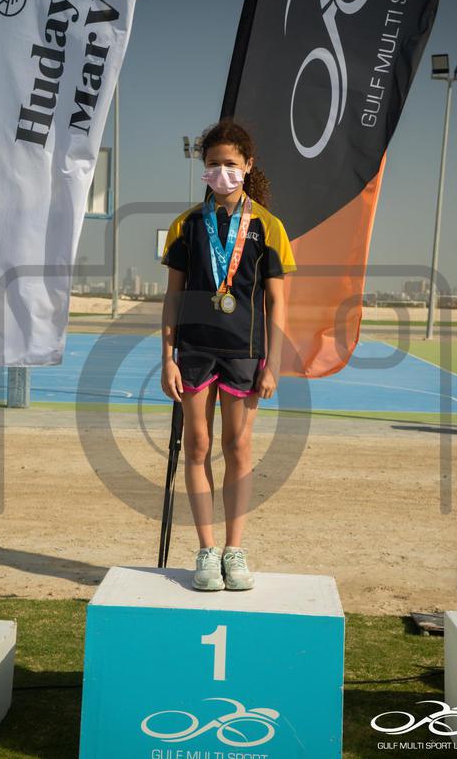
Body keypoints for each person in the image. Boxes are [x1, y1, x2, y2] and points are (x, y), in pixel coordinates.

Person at [160, 118, 296, 591]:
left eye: (231, 163)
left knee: (238, 449)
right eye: (214, 163)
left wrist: (273, 363)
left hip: (245, 353)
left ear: (248, 165)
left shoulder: (268, 227)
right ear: (204, 167)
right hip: (194, 351)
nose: (223, 171)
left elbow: (278, 302)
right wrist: (167, 357)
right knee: (197, 447)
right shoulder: (186, 225)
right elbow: (173, 297)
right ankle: (206, 550)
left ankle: (235, 551)